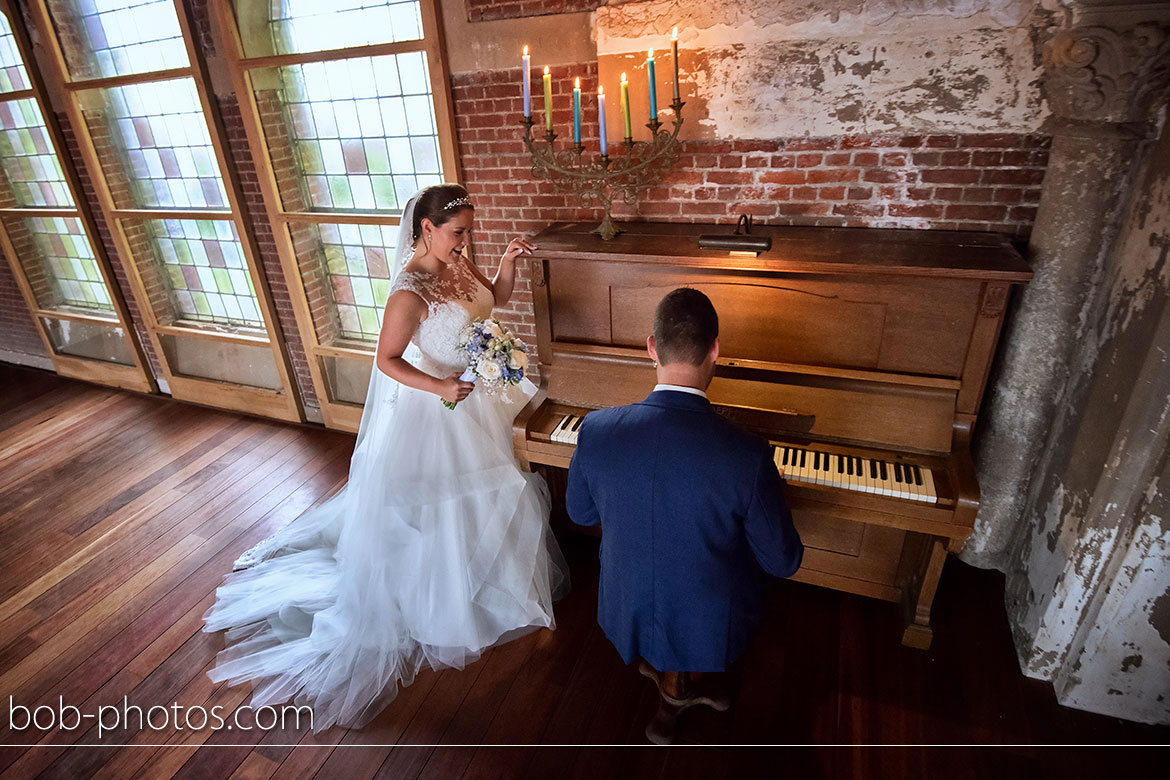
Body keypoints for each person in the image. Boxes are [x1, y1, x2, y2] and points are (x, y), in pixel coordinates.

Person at [202, 184, 568, 732]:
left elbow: (494, 297)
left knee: (495, 488)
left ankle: (495, 576)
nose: (466, 242)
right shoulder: (409, 292)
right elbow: (389, 360)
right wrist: (439, 387)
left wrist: (509, 264)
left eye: (470, 231)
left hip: (479, 398)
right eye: (458, 232)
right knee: (442, 506)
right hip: (438, 408)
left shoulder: (460, 263)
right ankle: (446, 598)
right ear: (426, 228)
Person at [565, 287, 803, 744]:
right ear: (715, 349)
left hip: (625, 596)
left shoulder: (595, 430)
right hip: (709, 613)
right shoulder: (747, 454)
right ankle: (680, 682)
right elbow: (783, 561)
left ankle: (671, 675)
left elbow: (579, 512)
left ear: (651, 347)